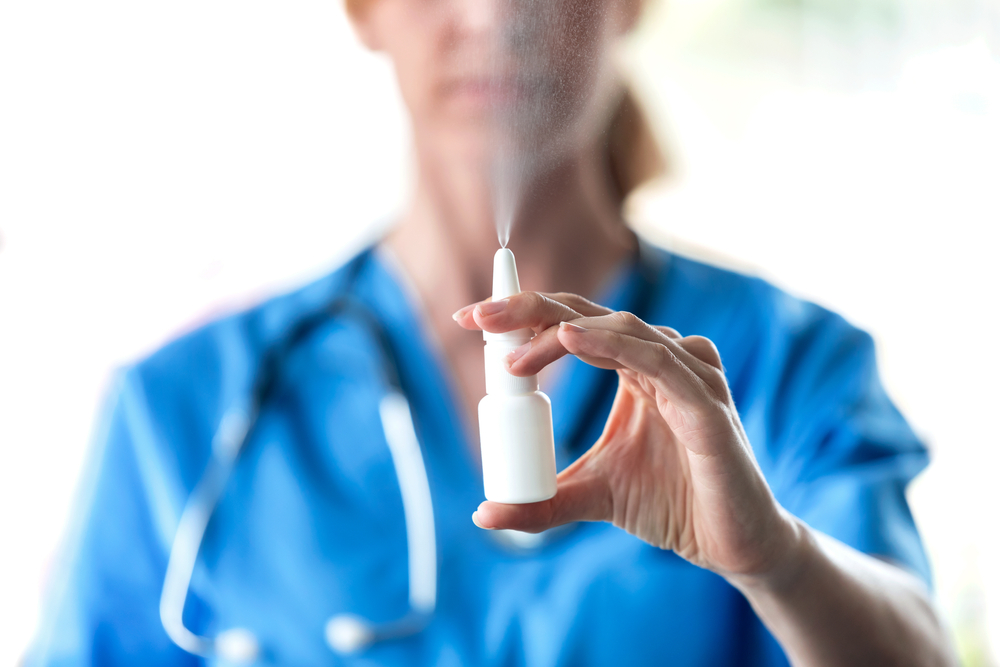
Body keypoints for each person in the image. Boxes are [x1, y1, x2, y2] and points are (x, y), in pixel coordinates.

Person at [27, 0, 955, 664]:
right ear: (362, 11)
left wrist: (777, 560)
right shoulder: (187, 408)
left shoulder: (786, 370)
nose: (493, 14)